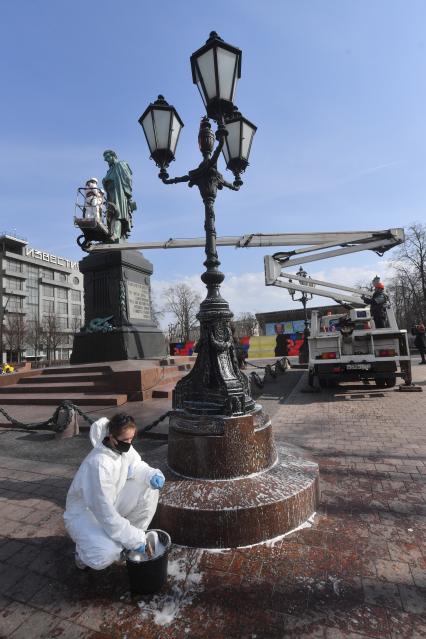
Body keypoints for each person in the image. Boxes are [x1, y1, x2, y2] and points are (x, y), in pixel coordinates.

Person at [63, 413, 165, 571]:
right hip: (85, 514)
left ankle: (129, 542)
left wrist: (151, 474)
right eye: (126, 440)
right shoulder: (98, 465)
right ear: (111, 437)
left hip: (108, 503)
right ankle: (82, 553)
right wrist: (135, 539)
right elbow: (106, 515)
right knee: (106, 554)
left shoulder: (120, 446)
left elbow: (136, 464)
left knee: (148, 490)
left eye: (132, 439)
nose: (129, 444)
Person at [102, 150, 137, 242]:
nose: (106, 160)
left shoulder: (121, 164)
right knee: (112, 214)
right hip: (111, 194)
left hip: (119, 194)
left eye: (107, 158)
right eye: (105, 159)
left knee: (118, 213)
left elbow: (127, 178)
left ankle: (116, 234)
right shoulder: (110, 170)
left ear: (113, 156)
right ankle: (115, 234)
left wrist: (128, 193)